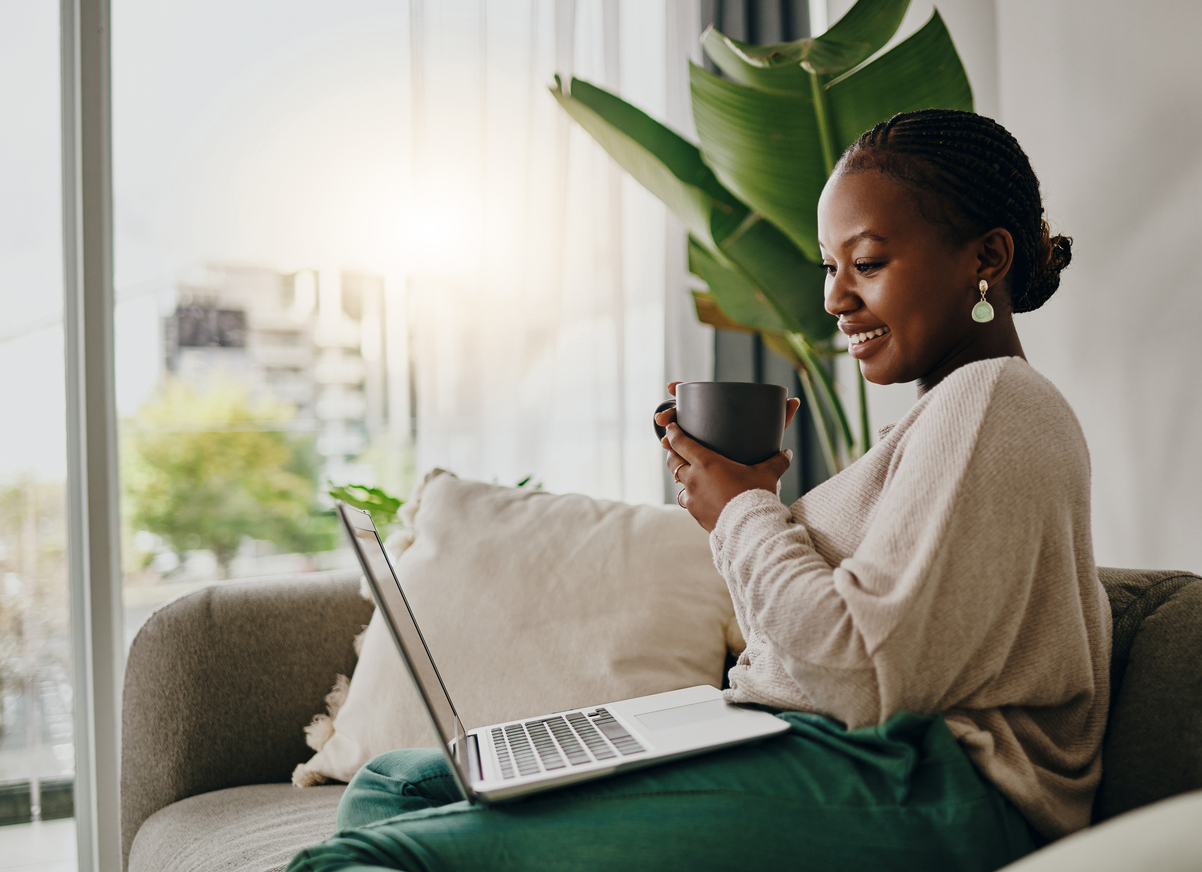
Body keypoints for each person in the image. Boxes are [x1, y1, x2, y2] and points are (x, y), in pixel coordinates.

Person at [288, 109, 1108, 872]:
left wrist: (742, 510)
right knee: (401, 783)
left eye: (866, 263)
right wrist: (739, 505)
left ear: (987, 259)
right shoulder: (938, 418)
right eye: (830, 267)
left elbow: (861, 680)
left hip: (925, 790)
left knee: (366, 854)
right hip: (814, 747)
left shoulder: (992, 398)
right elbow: (818, 651)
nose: (833, 298)